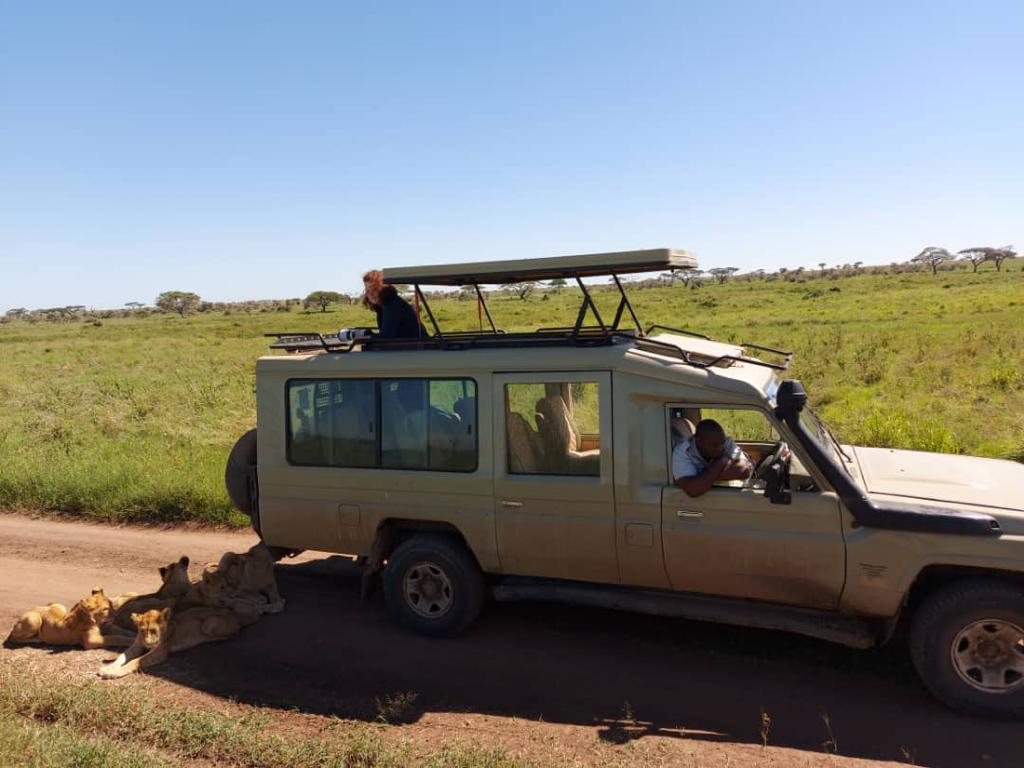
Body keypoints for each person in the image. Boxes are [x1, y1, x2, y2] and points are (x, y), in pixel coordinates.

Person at [673, 419, 753, 498]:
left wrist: (703, 478)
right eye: (715, 445)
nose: (720, 448)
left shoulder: (726, 443)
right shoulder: (683, 451)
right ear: (699, 440)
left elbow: (744, 470)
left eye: (722, 443)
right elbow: (693, 490)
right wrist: (721, 462)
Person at [362, 270, 421, 339]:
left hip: (417, 345)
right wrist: (366, 334)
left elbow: (386, 337)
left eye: (375, 289)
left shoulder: (393, 305)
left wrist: (363, 337)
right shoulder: (382, 308)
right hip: (407, 344)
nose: (371, 293)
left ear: (383, 289)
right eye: (368, 290)